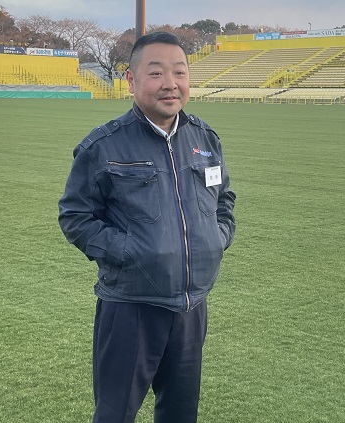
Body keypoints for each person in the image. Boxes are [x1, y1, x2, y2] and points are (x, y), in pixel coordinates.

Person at [58, 31, 236, 423]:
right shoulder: (103, 146)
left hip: (191, 307)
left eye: (179, 72)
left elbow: (224, 200)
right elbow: (75, 216)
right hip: (130, 306)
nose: (170, 83)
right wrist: (131, 254)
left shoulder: (205, 139)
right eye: (156, 73)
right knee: (115, 413)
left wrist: (216, 238)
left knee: (181, 413)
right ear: (132, 79)